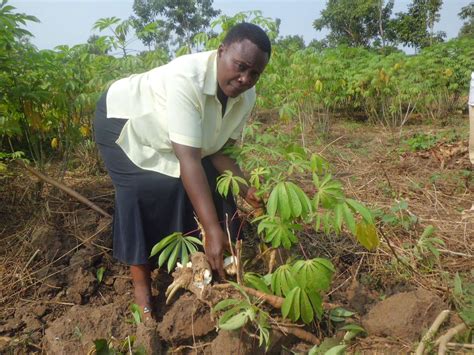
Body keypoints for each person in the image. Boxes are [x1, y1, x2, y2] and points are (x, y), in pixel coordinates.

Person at [93, 22, 271, 319]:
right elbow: (189, 159)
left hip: (173, 138)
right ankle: (142, 290)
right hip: (123, 120)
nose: (245, 78)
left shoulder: (245, 97)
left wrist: (248, 189)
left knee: (213, 182)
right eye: (240, 67)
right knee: (142, 192)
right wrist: (212, 229)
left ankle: (202, 262)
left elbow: (219, 152)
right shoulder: (186, 77)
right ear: (221, 51)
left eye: (254, 73)